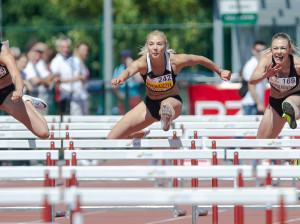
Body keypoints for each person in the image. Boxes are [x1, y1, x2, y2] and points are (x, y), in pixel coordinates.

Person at [107, 30, 231, 139]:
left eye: (159, 44)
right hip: (149, 105)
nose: (155, 48)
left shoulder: (175, 61)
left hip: (173, 101)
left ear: (165, 46)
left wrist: (220, 71)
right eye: (151, 44)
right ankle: (137, 133)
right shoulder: (143, 63)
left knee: (166, 105)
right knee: (111, 138)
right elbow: (130, 70)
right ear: (148, 47)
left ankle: (166, 117)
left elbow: (199, 59)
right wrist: (121, 78)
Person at [249, 33, 300, 164]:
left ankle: (292, 114)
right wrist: (265, 74)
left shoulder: (297, 64)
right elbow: (252, 80)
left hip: (296, 98)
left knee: (289, 102)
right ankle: (293, 160)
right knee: (260, 145)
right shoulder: (266, 60)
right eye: (276, 48)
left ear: (289, 50)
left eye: (283, 48)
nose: (279, 52)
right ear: (271, 50)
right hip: (275, 104)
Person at [0, 41, 49, 139]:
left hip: (7, 95)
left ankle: (28, 101)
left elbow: (16, 75)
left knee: (44, 133)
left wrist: (19, 89)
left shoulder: (3, 51)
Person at [50, 37, 83, 115]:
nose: (66, 49)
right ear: (58, 48)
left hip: (77, 95)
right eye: (63, 47)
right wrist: (75, 79)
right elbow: (56, 79)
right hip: (63, 95)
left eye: (67, 47)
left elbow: (81, 75)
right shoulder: (55, 61)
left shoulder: (75, 60)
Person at [112, 49, 143, 115]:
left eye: (125, 57)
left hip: (135, 96)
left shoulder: (137, 68)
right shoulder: (118, 69)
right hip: (123, 97)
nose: (122, 59)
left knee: (136, 117)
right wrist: (119, 94)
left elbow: (140, 80)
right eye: (122, 57)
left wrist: (131, 66)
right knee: (122, 117)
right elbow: (114, 84)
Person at [241, 41, 267, 115]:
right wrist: (259, 103)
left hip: (256, 103)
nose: (261, 53)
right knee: (250, 126)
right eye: (258, 50)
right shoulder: (251, 65)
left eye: (263, 50)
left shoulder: (260, 64)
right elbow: (250, 85)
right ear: (253, 51)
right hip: (251, 103)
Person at [71, 42, 90, 115]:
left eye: (86, 50)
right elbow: (77, 76)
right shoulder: (75, 61)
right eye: (83, 49)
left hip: (83, 95)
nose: (85, 52)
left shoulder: (81, 62)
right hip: (77, 96)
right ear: (77, 50)